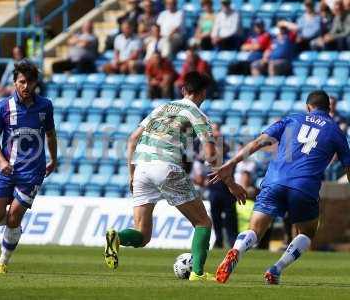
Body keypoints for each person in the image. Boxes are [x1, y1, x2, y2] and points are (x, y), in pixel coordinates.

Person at [103, 71, 247, 281]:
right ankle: (197, 273)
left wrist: (131, 174)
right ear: (203, 93)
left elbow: (133, 138)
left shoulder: (161, 107)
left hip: (142, 167)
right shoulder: (197, 114)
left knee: (142, 235)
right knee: (203, 223)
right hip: (166, 166)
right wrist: (230, 182)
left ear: (183, 89)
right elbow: (209, 154)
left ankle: (117, 237)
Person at [212, 90, 350, 284]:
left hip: (274, 181)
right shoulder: (336, 132)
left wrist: (231, 163)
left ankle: (237, 250)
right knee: (307, 232)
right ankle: (275, 269)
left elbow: (259, 142)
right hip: (304, 186)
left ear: (308, 107)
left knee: (255, 230)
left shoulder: (293, 119)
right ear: (329, 108)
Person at [0, 59, 57, 274]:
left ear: (35, 83)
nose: (26, 86)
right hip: (7, 171)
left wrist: (54, 159)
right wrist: (2, 161)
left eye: (30, 82)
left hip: (33, 172)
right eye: (22, 82)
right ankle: (15, 229)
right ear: (15, 83)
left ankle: (2, 262)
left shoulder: (45, 105)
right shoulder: (3, 107)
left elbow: (51, 134)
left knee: (15, 215)